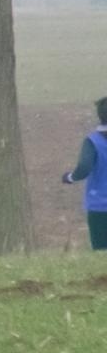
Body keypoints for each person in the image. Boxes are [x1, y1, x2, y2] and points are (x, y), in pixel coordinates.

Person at [61, 96, 107, 250]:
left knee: (101, 252)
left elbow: (84, 168)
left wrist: (70, 177)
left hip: (100, 206)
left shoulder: (93, 141)